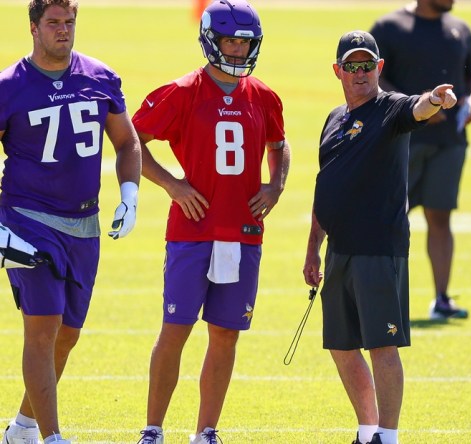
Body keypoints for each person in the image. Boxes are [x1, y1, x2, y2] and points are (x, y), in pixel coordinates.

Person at [130, 1, 290, 444]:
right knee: (175, 329)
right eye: (231, 41)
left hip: (243, 233)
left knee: (225, 335)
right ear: (211, 40)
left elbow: (280, 144)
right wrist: (171, 185)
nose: (238, 50)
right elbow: (131, 141)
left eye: (245, 42)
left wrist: (275, 185)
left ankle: (206, 432)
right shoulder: (182, 92)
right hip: (192, 231)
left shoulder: (264, 96)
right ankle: (153, 428)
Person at [303, 31, 456, 444]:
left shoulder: (389, 109)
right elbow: (325, 188)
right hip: (338, 251)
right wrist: (312, 250)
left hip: (378, 249)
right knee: (340, 345)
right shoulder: (334, 119)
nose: (359, 73)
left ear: (379, 69)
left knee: (382, 346)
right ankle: (367, 429)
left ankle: (387, 437)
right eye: (351, 66)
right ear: (337, 71)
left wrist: (436, 99)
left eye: (366, 65)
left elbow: (417, 108)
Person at [0, 1, 141, 443]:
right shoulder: (9, 86)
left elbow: (127, 142)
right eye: (53, 23)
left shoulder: (99, 77)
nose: (63, 31)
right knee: (42, 328)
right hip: (27, 219)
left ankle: (22, 428)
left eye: (69, 22)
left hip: (84, 223)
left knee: (67, 335)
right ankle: (52, 437)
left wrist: (130, 196)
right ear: (33, 28)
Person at [369, 0, 471, 320]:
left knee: (441, 218)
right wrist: (416, 107)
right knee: (391, 219)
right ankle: (380, 297)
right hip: (402, 142)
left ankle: (442, 299)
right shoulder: (389, 27)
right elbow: (374, 79)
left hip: (450, 142)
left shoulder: (459, 29)